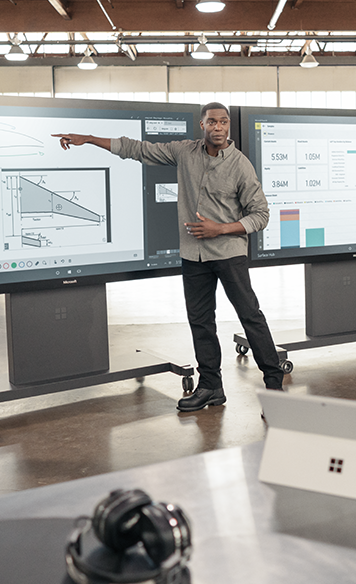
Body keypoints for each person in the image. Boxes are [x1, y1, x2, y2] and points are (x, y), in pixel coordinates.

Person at [52, 102, 285, 412]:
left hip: (229, 254)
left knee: (250, 316)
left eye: (224, 122)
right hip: (193, 255)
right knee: (201, 323)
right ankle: (211, 387)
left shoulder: (240, 165)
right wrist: (90, 139)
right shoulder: (184, 152)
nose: (219, 127)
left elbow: (261, 215)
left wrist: (222, 229)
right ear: (202, 125)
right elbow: (137, 148)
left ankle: (274, 388)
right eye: (212, 122)